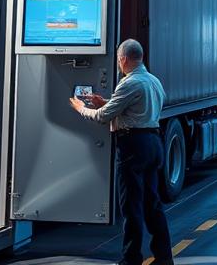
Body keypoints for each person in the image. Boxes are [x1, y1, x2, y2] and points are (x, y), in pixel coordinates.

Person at [69, 39, 174, 265]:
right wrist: (105, 102)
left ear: (123, 59)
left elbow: (102, 117)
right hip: (154, 143)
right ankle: (164, 258)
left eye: (118, 59)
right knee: (152, 205)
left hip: (133, 147)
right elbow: (137, 108)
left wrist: (82, 108)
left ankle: (131, 260)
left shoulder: (129, 83)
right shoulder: (153, 81)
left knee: (131, 207)